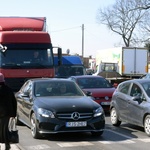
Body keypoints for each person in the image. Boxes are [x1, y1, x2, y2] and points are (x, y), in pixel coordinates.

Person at [0, 73, 17, 150]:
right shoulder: (9, 90)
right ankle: (7, 144)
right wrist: (14, 114)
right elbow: (14, 102)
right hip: (6, 113)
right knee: (5, 129)